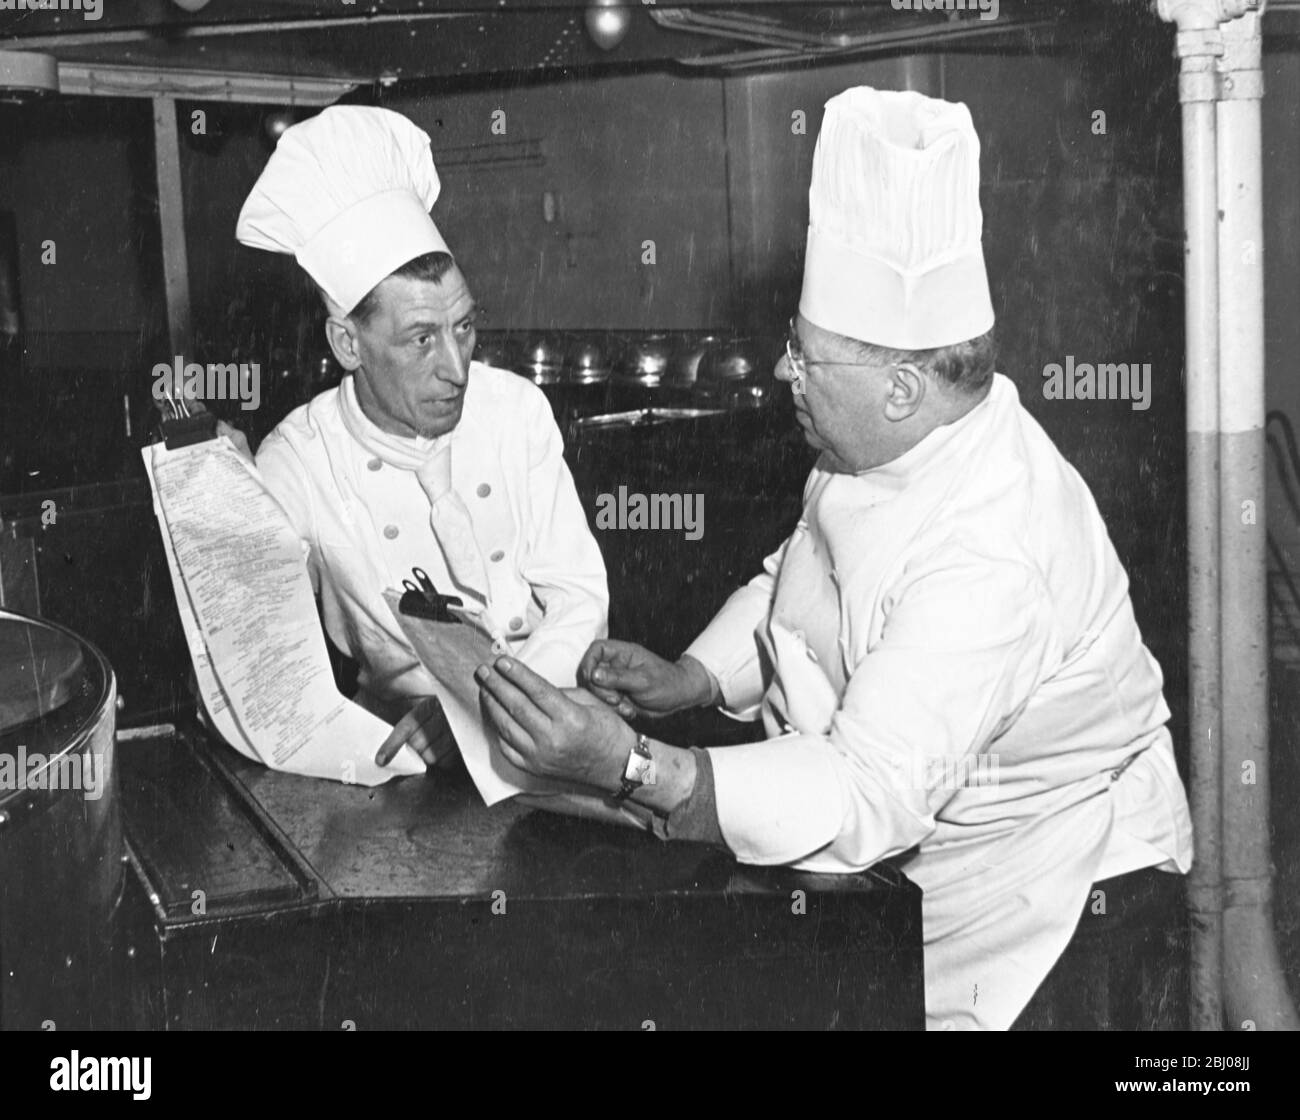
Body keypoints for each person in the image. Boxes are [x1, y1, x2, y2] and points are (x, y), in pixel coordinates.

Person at [474, 86, 1193, 1030]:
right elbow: (798, 570)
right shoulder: (874, 445)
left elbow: (865, 790)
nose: (783, 372)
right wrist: (694, 678)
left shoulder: (993, 549)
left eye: (806, 357)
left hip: (1050, 896)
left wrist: (634, 766)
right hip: (910, 864)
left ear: (902, 388)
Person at [233, 106, 608, 769]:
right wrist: (223, 503)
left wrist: (482, 712)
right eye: (421, 340)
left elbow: (579, 597)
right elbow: (258, 652)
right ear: (348, 344)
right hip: (406, 757)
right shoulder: (298, 461)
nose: (457, 369)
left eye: (464, 327)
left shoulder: (516, 410)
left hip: (554, 724)